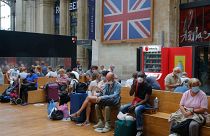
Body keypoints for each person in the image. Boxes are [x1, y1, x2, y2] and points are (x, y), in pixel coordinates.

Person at [120, 71, 152, 136]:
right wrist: (133, 85)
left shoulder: (148, 86)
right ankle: (123, 127)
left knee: (137, 109)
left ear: (145, 77)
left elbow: (146, 100)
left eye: (141, 76)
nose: (140, 78)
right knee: (122, 108)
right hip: (136, 102)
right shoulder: (136, 84)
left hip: (145, 104)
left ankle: (139, 130)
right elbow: (131, 94)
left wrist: (135, 105)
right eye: (138, 76)